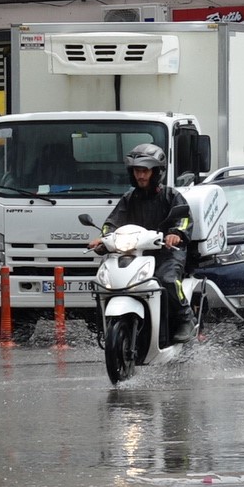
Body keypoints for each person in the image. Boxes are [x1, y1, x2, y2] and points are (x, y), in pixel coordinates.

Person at [87, 143, 195, 343]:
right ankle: (106, 325)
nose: (141, 176)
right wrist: (103, 239)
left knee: (168, 279)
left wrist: (176, 233)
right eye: (137, 171)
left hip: (167, 251)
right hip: (135, 253)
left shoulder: (171, 196)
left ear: (156, 172)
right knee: (106, 281)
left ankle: (185, 318)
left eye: (145, 171)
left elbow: (184, 218)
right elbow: (111, 223)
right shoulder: (129, 198)